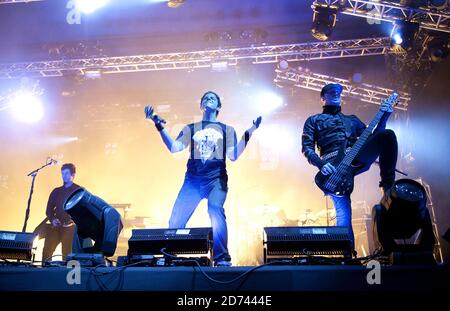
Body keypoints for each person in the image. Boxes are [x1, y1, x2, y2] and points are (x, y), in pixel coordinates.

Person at [145, 91, 262, 266]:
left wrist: (250, 131)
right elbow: (175, 148)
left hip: (216, 180)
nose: (208, 99)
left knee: (215, 209)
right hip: (193, 181)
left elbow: (233, 155)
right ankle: (168, 254)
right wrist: (159, 126)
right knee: (176, 218)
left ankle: (222, 258)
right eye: (205, 98)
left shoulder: (227, 129)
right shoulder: (190, 128)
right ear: (201, 106)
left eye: (212, 98)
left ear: (219, 107)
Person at [301, 83, 398, 249]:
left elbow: (375, 137)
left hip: (356, 156)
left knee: (387, 135)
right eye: (331, 92)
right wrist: (321, 164)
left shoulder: (352, 120)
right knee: (344, 208)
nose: (336, 93)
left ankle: (387, 185)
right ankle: (347, 254)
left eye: (338, 91)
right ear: (322, 98)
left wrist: (385, 116)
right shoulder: (313, 120)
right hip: (333, 166)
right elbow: (307, 148)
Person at [42, 163, 80, 262]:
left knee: (67, 254)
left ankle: (66, 274)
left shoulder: (79, 190)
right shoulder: (56, 191)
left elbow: (83, 210)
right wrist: (53, 219)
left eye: (67, 173)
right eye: (62, 173)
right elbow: (48, 210)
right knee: (47, 251)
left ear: (73, 175)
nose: (64, 176)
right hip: (56, 227)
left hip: (70, 228)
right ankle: (44, 270)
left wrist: (73, 221)